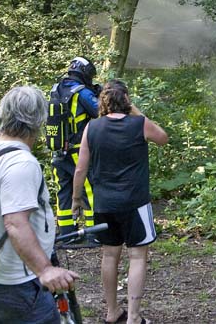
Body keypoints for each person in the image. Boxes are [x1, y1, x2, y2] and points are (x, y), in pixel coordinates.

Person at [0, 86, 78, 323]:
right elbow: (16, 223)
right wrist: (45, 270)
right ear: (40, 119)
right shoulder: (20, 163)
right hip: (15, 281)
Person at [72, 80, 168, 324]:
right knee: (137, 256)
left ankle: (112, 312)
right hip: (135, 202)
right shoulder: (139, 124)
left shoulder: (91, 128)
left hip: (104, 203)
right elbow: (163, 138)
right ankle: (134, 317)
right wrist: (135, 110)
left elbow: (81, 168)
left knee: (109, 255)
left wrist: (76, 199)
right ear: (126, 100)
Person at [49, 56, 100, 236]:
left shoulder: (55, 89)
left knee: (63, 191)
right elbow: (100, 112)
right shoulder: (82, 92)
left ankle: (67, 233)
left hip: (57, 151)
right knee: (89, 190)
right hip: (78, 150)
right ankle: (94, 233)